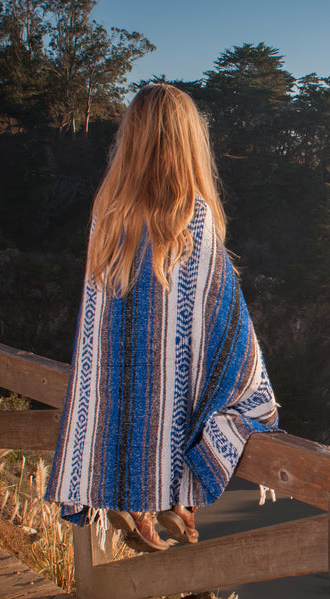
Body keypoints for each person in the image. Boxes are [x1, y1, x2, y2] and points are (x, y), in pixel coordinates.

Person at [45, 83, 279, 552]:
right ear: (189, 142)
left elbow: (97, 329)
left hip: (118, 396)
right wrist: (258, 394)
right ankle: (178, 500)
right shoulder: (193, 218)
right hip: (171, 395)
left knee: (145, 387)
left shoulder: (107, 218)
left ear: (131, 140)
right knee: (231, 395)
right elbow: (225, 320)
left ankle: (143, 502)